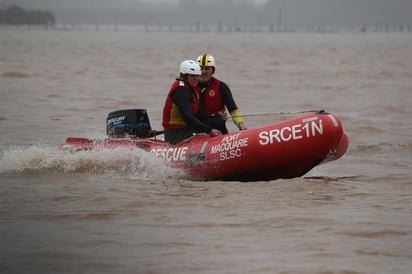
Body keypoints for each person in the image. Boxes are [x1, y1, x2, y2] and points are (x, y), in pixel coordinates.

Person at [162, 59, 222, 144]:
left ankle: (223, 143)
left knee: (218, 122)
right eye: (193, 76)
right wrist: (210, 130)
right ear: (185, 76)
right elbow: (187, 116)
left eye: (197, 75)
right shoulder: (181, 90)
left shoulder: (192, 89)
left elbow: (200, 116)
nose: (196, 78)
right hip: (175, 133)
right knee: (212, 126)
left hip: (187, 129)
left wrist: (216, 116)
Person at [197, 53, 247, 134]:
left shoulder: (221, 87)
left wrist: (241, 125)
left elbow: (233, 110)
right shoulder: (191, 87)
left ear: (212, 70)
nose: (203, 72)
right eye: (201, 69)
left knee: (218, 121)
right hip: (197, 128)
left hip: (217, 128)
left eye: (207, 69)